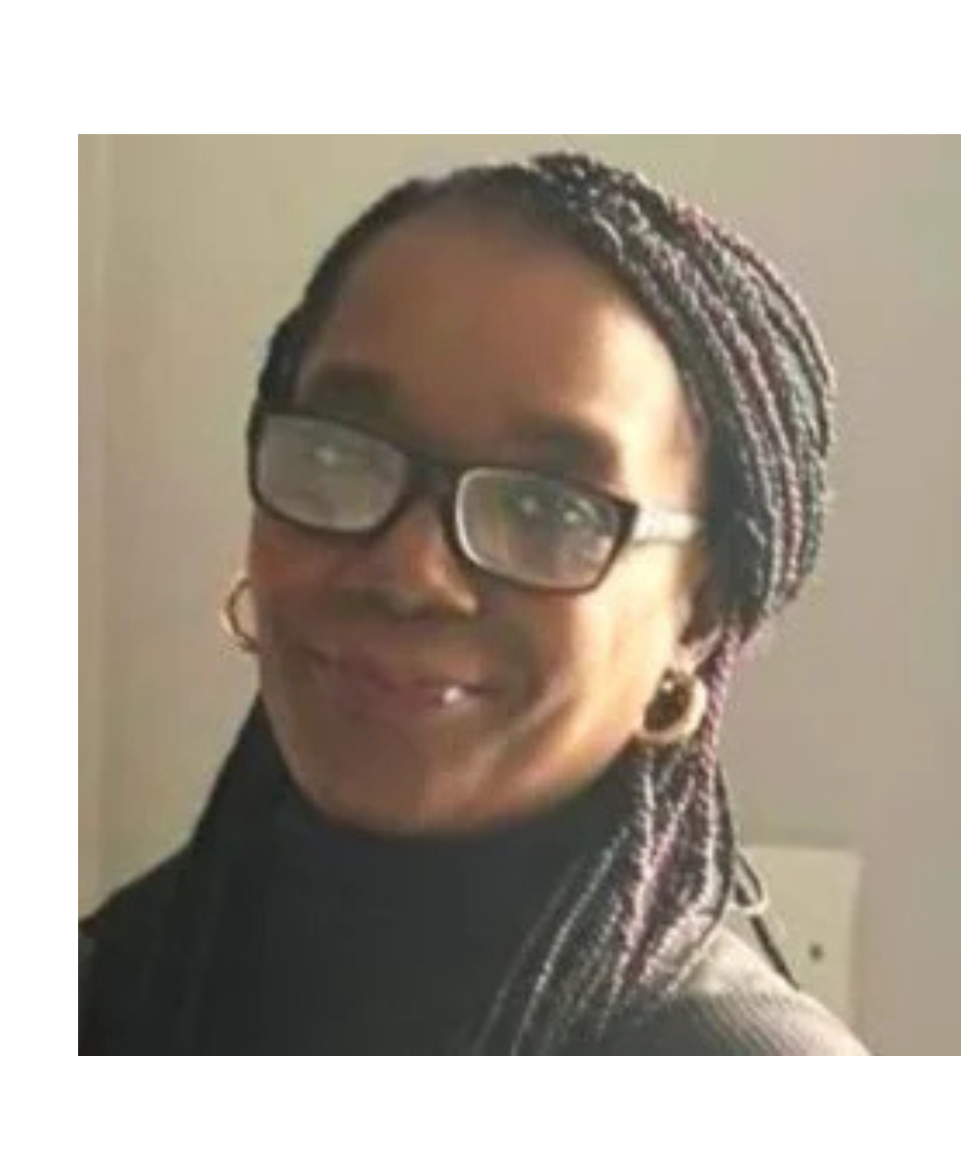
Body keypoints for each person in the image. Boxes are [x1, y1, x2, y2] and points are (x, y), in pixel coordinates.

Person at [80, 150, 867, 1055]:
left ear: (696, 614)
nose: (410, 574)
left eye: (544, 507)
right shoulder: (116, 982)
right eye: (341, 456)